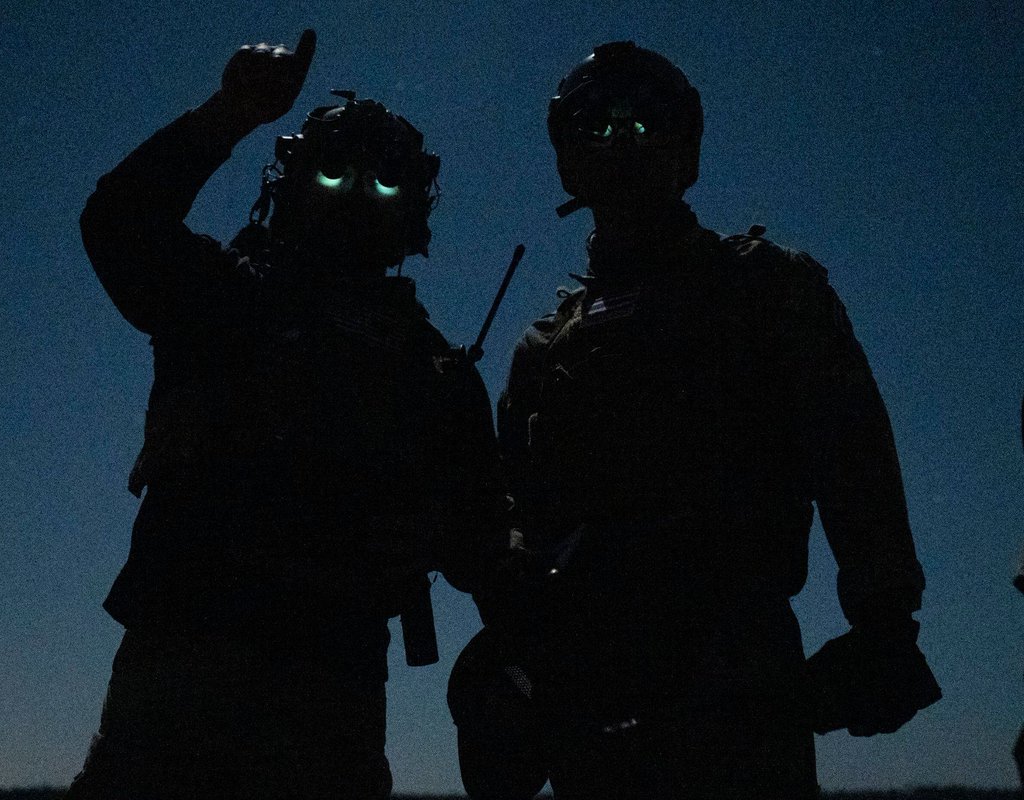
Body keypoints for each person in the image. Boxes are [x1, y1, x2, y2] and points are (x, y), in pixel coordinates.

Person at [452, 40, 940, 799]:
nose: (619, 140)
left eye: (644, 121)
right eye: (592, 123)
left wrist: (885, 623)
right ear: (564, 154)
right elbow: (518, 512)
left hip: (733, 676)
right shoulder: (545, 350)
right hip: (586, 686)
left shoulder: (766, 291)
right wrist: (511, 651)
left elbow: (854, 460)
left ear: (687, 148)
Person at [66, 30, 506, 800]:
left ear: (413, 209)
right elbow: (118, 223)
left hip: (328, 687)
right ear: (293, 181)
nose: (355, 195)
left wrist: (434, 531)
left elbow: (482, 544)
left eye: (383, 182)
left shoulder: (434, 375)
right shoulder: (221, 298)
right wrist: (230, 114)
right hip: (181, 666)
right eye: (335, 173)